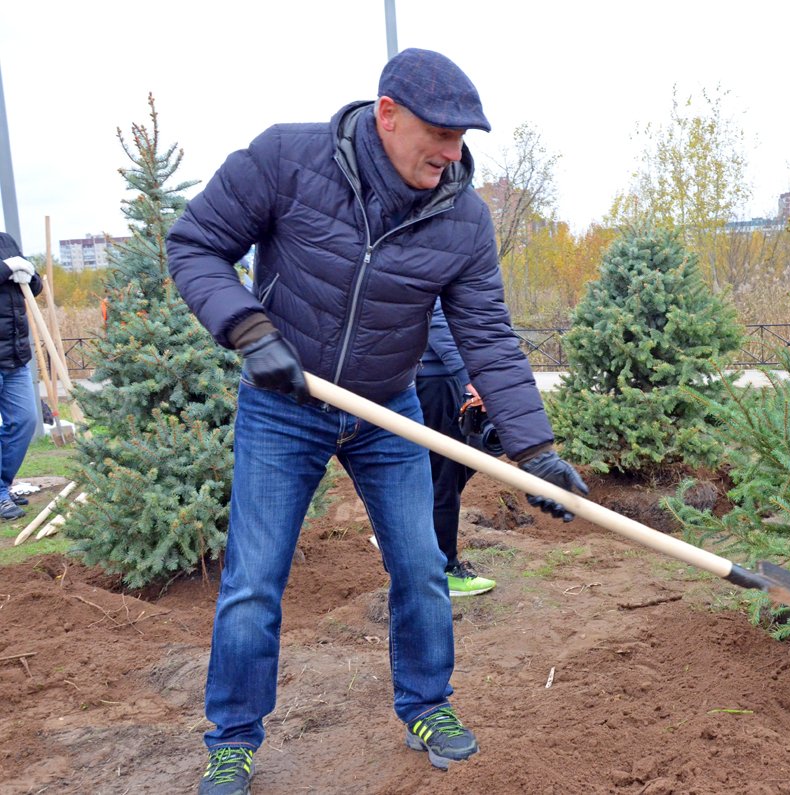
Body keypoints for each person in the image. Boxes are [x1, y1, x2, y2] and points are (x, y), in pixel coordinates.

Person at [166, 48, 589, 794]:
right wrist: (248, 329)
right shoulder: (287, 159)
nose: (453, 154)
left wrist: (537, 451)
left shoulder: (461, 217)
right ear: (387, 114)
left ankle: (427, 703)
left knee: (423, 567)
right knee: (254, 582)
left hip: (386, 408)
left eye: (463, 141)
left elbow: (487, 336)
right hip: (284, 403)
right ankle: (232, 737)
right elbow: (195, 243)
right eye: (440, 134)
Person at [417, 298, 495, 597]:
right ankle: (445, 569)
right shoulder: (433, 262)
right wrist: (469, 377)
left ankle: (413, 532)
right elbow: (436, 323)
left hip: (447, 380)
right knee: (444, 478)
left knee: (475, 453)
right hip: (434, 382)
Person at [0, 233, 42, 521]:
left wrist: (31, 273)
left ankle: (2, 484)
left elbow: (32, 288)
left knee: (25, 420)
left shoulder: (6, 240)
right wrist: (6, 269)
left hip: (15, 356)